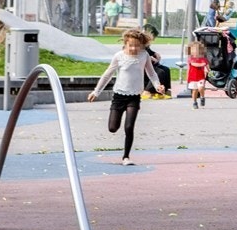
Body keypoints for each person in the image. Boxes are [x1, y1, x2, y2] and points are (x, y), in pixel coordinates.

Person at [87, 28, 166, 165]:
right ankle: (118, 135)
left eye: (137, 45)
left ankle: (126, 157)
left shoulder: (144, 56)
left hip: (134, 96)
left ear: (141, 45)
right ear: (125, 43)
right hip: (119, 96)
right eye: (131, 45)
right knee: (113, 128)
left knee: (129, 127)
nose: (134, 48)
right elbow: (107, 75)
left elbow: (151, 73)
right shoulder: (119, 56)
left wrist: (158, 85)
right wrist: (96, 92)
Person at [185, 40, 209, 109]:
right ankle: (194, 102)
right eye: (193, 50)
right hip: (192, 77)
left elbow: (207, 67)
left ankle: (202, 97)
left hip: (200, 77)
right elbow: (191, 66)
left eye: (197, 50)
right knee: (194, 90)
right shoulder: (190, 59)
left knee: (200, 88)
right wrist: (187, 77)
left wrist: (207, 70)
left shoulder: (203, 59)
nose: (195, 52)